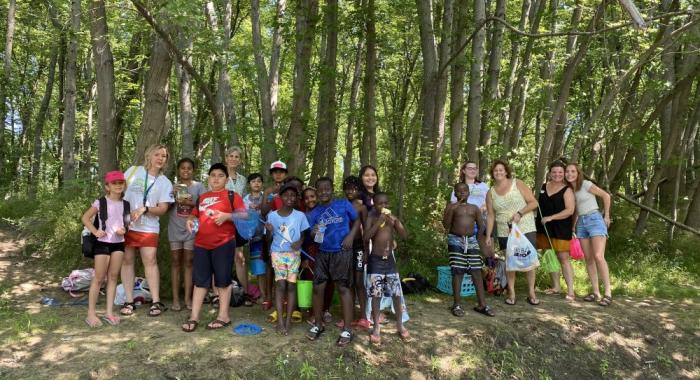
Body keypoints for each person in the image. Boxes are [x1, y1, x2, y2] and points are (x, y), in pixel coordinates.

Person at [182, 163, 247, 332]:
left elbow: (244, 215)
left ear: (226, 179)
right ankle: (194, 317)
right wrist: (189, 219)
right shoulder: (203, 197)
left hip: (224, 243)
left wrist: (227, 216)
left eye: (220, 175)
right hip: (201, 244)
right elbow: (194, 214)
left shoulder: (232, 195)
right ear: (208, 178)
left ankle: (223, 316)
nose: (216, 178)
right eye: (213, 175)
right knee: (200, 281)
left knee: (223, 281)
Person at [306, 177, 361, 347]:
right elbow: (313, 236)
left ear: (332, 189)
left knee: (343, 288)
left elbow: (357, 220)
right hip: (323, 253)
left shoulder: (343, 204)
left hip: (342, 252)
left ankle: (347, 330)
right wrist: (313, 232)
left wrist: (351, 236)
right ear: (316, 191)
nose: (323, 192)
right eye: (320, 190)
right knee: (318, 287)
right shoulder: (314, 213)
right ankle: (318, 324)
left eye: (327, 189)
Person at [121, 144, 174, 317]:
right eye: (157, 154)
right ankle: (129, 302)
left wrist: (145, 209)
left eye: (164, 156)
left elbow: (163, 209)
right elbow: (117, 193)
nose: (160, 158)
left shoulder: (164, 182)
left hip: (149, 227)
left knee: (150, 261)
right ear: (149, 155)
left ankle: (156, 302)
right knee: (127, 261)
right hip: (127, 225)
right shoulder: (133, 171)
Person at [485, 160, 540, 306]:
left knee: (529, 260)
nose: (498, 172)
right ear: (492, 173)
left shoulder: (518, 183)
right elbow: (490, 215)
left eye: (501, 170)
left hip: (525, 227)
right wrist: (489, 235)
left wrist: (520, 213)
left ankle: (531, 292)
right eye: (495, 170)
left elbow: (534, 203)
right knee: (510, 261)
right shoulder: (490, 192)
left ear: (506, 171)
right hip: (505, 230)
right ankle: (511, 292)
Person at [81, 171, 130, 327]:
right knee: (99, 277)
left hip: (118, 243)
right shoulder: (100, 202)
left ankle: (109, 312)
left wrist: (124, 230)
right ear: (107, 186)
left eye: (120, 183)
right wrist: (95, 232)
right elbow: (85, 218)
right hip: (102, 242)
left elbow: (126, 224)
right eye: (114, 183)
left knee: (114, 277)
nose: (118, 186)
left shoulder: (126, 204)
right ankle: (91, 313)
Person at [364, 192, 409, 345]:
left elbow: (404, 235)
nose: (383, 206)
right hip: (375, 261)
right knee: (376, 295)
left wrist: (396, 222)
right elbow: (366, 237)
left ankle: (400, 323)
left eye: (385, 203)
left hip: (390, 261)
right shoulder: (372, 218)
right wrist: (379, 222)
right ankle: (376, 326)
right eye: (379, 203)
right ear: (374, 204)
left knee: (396, 294)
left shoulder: (391, 219)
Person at [443, 183, 494, 317]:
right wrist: (452, 209)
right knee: (457, 271)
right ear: (455, 193)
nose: (462, 193)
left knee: (476, 270)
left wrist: (477, 239)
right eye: (459, 192)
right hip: (455, 239)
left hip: (471, 240)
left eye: (465, 191)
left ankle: (482, 304)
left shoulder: (474, 208)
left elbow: (481, 225)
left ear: (468, 193)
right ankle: (457, 304)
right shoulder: (451, 206)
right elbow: (446, 225)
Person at [265, 183, 310, 335]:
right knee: (280, 286)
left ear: (297, 198)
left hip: (294, 256)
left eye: (293, 195)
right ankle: (280, 321)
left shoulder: (300, 216)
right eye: (286, 195)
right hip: (277, 255)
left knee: (291, 286)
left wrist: (300, 242)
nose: (289, 198)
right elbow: (269, 239)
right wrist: (269, 231)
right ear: (280, 197)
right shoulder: (272, 216)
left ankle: (288, 320)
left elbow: (304, 235)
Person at [565, 163, 613, 306]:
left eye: (573, 171)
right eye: (567, 171)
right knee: (589, 259)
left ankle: (608, 293)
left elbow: (606, 195)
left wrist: (607, 216)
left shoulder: (585, 184)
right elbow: (576, 210)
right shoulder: (569, 190)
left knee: (599, 256)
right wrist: (573, 226)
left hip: (595, 219)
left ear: (578, 173)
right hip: (581, 224)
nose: (570, 174)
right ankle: (596, 292)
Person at [168, 158, 205, 311]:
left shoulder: (199, 186)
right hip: (175, 227)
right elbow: (165, 206)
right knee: (176, 262)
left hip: (191, 228)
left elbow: (204, 206)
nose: (186, 171)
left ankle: (188, 298)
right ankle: (176, 299)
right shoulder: (171, 186)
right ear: (178, 170)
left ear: (193, 170)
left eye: (189, 168)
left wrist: (191, 203)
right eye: (183, 168)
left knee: (189, 262)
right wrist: (172, 195)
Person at [536, 161, 576, 301]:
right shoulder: (543, 187)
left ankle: (571, 291)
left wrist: (551, 218)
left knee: (563, 258)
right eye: (554, 172)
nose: (557, 174)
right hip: (544, 227)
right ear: (550, 173)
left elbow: (570, 210)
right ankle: (556, 286)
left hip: (561, 227)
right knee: (549, 255)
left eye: (560, 172)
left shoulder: (567, 190)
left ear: (563, 173)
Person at [301, 187, 335, 325]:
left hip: (327, 249)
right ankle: (314, 311)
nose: (310, 200)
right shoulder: (303, 216)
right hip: (310, 251)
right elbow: (302, 238)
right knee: (313, 280)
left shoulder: (326, 212)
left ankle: (326, 309)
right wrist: (304, 259)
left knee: (329, 280)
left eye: (312, 196)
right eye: (307, 197)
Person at [224, 147, 252, 306]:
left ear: (240, 160)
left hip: (239, 221)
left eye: (236, 157)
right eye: (231, 156)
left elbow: (243, 201)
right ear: (226, 158)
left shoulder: (242, 179)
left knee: (239, 257)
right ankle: (220, 293)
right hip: (223, 220)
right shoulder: (219, 175)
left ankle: (245, 293)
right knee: (222, 256)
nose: (233, 159)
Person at [342, 176, 370, 329]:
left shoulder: (362, 207)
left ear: (359, 190)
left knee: (359, 281)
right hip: (345, 248)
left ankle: (364, 317)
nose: (350, 191)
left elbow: (366, 230)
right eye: (347, 188)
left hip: (359, 246)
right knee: (348, 282)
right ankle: (349, 316)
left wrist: (366, 251)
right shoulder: (341, 206)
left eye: (353, 188)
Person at [260, 160, 288, 310]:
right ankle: (268, 297)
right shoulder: (268, 190)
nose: (278, 174)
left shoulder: (290, 189)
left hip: (287, 232)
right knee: (270, 265)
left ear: (285, 174)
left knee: (285, 263)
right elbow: (263, 212)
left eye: (281, 172)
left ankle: (283, 297)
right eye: (275, 172)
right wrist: (272, 198)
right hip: (270, 231)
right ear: (272, 174)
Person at [243, 173, 267, 304]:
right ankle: (263, 295)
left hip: (268, 237)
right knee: (259, 267)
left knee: (270, 266)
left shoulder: (267, 197)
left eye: (259, 181)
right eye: (253, 181)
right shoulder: (246, 199)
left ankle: (271, 294)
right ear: (249, 184)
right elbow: (242, 216)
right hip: (254, 238)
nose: (256, 183)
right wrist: (249, 211)